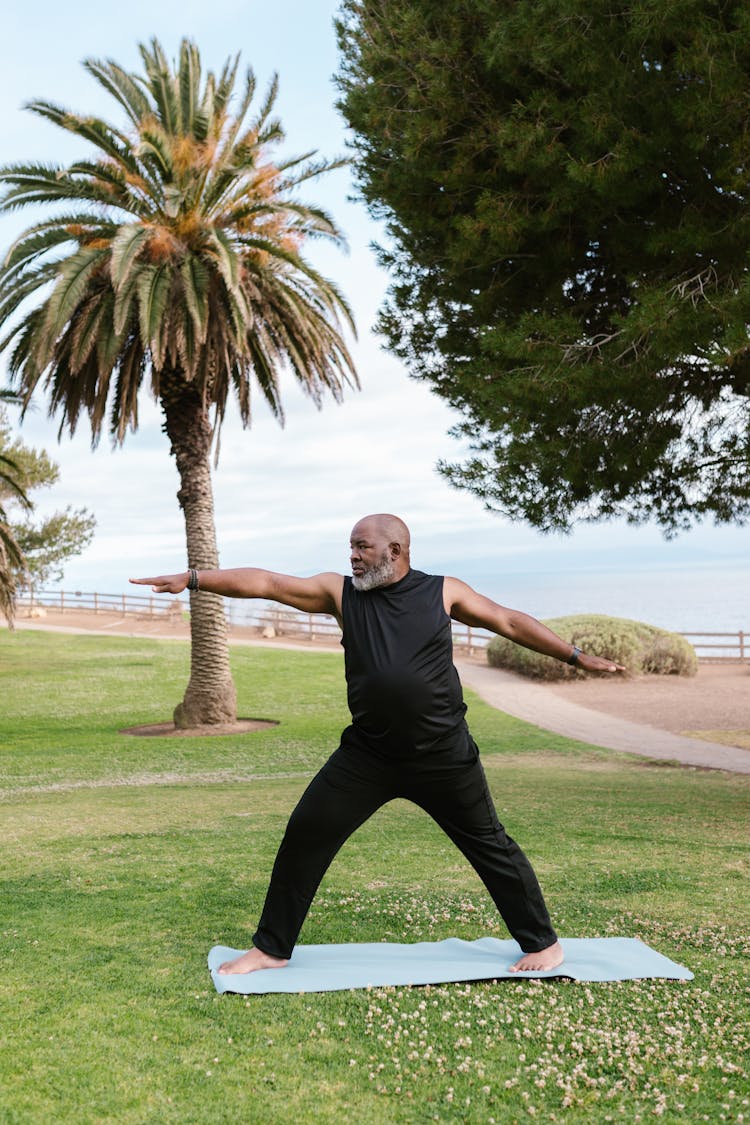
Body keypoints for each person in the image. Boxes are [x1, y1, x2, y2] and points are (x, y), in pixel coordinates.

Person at [131, 513, 624, 975]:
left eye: (362, 547)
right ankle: (271, 948)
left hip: (443, 754)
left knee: (490, 845)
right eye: (351, 548)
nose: (353, 556)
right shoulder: (340, 594)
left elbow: (509, 622)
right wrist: (193, 579)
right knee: (306, 833)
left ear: (396, 549)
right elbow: (270, 584)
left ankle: (543, 943)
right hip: (368, 754)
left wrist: (576, 656)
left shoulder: (443, 592)